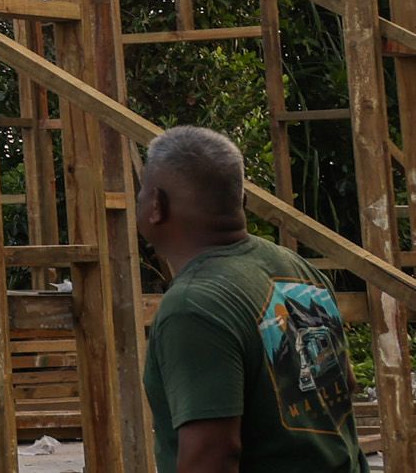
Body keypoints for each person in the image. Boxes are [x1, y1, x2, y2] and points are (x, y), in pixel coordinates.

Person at [135, 125, 362, 473]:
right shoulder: (297, 269)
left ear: (156, 205)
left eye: (141, 191)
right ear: (241, 200)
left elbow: (212, 455)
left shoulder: (193, 306)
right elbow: (343, 384)